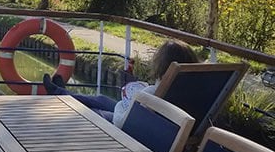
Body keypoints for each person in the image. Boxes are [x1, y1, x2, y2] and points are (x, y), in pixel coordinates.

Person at [42, 39, 199, 126]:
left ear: (162, 65)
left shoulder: (152, 94)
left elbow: (119, 120)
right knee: (101, 99)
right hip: (147, 120)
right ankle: (59, 91)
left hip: (132, 127)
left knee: (93, 111)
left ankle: (59, 93)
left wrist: (128, 100)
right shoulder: (195, 89)